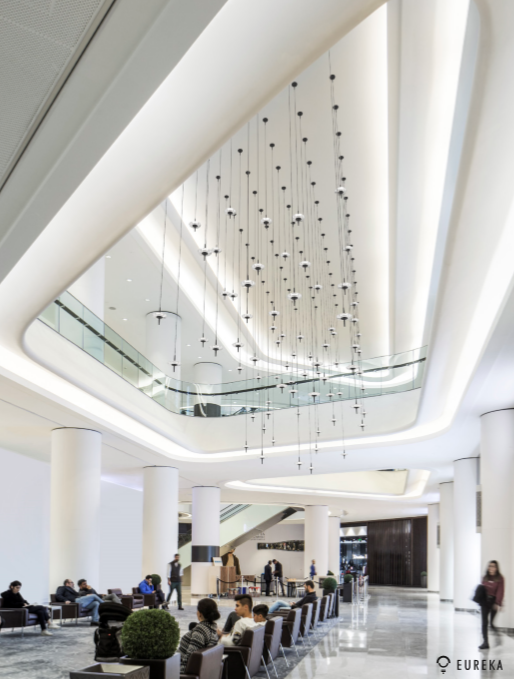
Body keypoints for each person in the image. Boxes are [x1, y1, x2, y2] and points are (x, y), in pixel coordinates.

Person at [178, 598, 220, 673]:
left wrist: (178, 675)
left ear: (200, 613)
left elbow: (189, 659)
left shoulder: (200, 631)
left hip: (178, 670)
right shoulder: (213, 630)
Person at [479, 560, 505, 650]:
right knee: (484, 622)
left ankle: (498, 636)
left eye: (493, 566)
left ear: (496, 568)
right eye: (489, 566)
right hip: (484, 601)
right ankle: (485, 642)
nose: (491, 568)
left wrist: (498, 603)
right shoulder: (485, 577)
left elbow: (500, 591)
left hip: (493, 601)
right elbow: (482, 589)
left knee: (491, 623)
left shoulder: (500, 578)